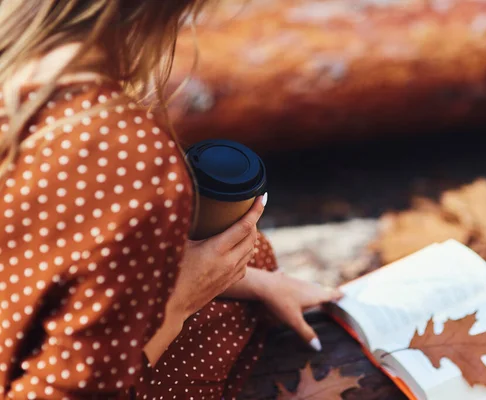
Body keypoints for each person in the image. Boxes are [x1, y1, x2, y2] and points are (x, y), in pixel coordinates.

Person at [0, 1, 342, 399]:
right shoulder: (128, 156)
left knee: (247, 260)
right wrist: (179, 303)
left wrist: (255, 280)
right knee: (221, 319)